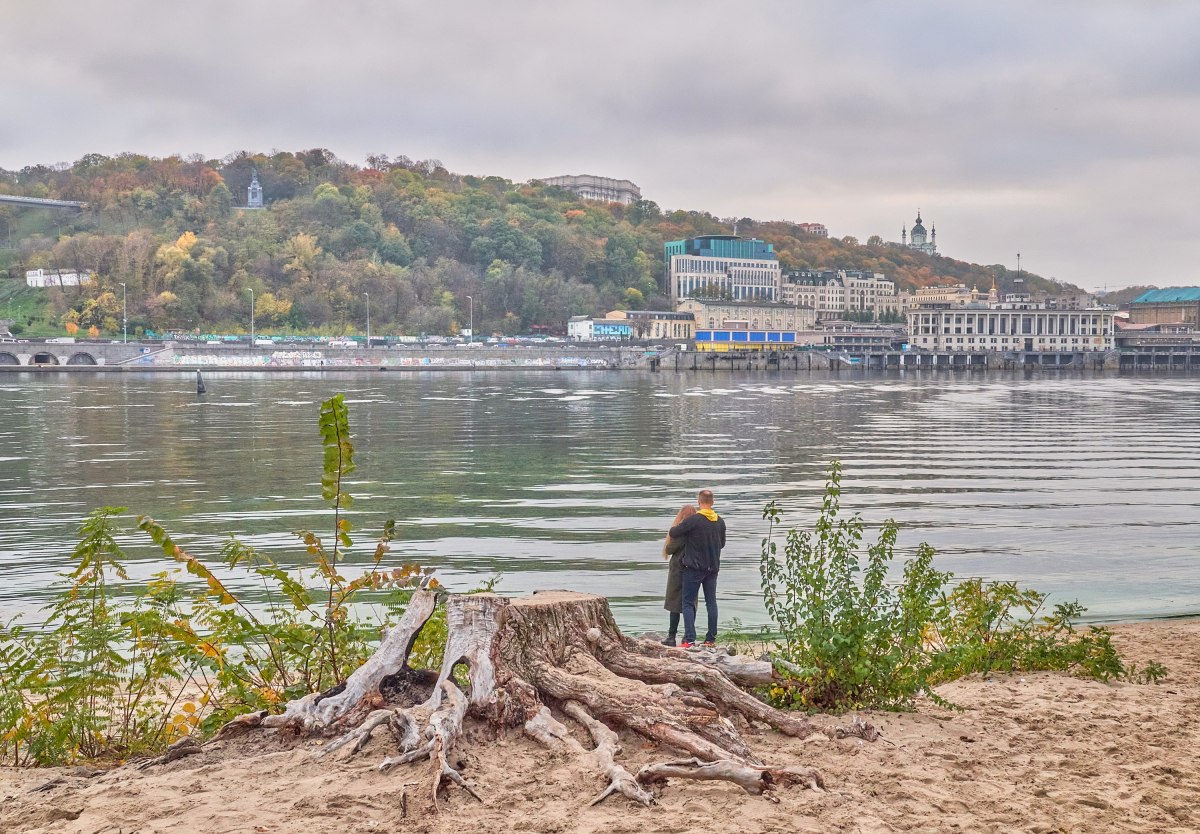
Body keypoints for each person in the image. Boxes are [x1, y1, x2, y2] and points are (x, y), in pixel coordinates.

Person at [668, 489, 726, 648]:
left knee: (687, 602)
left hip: (694, 568)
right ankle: (710, 639)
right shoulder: (720, 521)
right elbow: (721, 544)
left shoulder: (694, 520)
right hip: (712, 568)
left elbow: (674, 532)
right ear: (712, 502)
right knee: (711, 602)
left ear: (699, 502)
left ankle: (689, 640)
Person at [660, 504, 696, 647]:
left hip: (678, 570)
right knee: (690, 603)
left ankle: (671, 636)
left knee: (674, 603)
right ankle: (688, 636)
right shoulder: (697, 532)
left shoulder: (681, 532)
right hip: (693, 569)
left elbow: (669, 549)